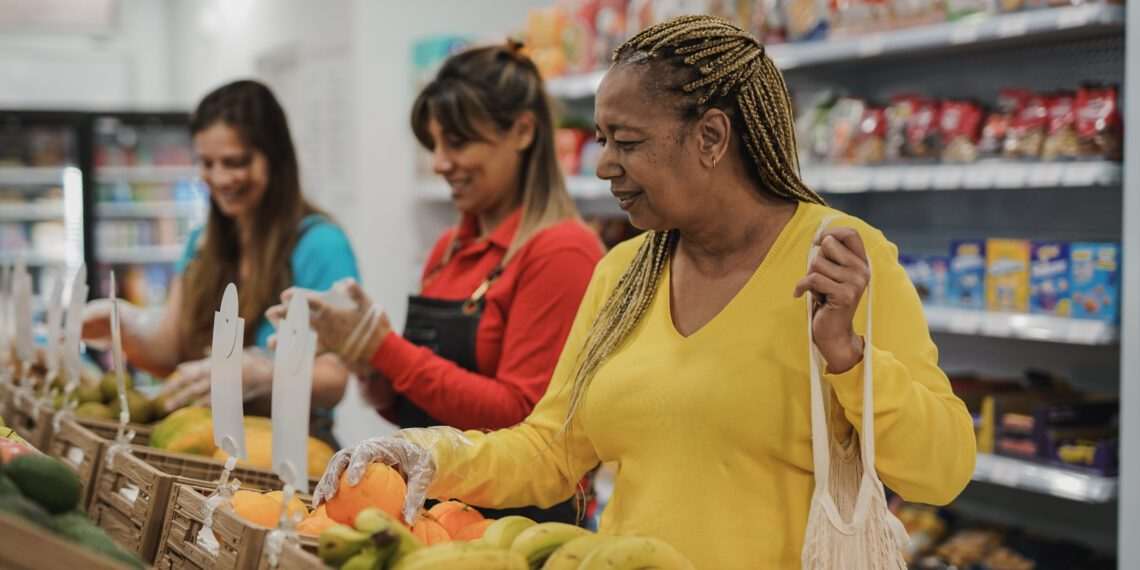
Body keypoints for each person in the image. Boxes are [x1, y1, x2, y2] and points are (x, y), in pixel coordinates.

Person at [295, 17, 976, 568]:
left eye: (626, 141)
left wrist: (849, 358)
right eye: (600, 139)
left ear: (711, 137)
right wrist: (431, 453)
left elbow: (941, 472)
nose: (604, 165)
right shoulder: (624, 273)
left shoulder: (840, 258)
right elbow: (551, 450)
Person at [270, 43, 604, 523]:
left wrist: (384, 347)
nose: (441, 162)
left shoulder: (562, 253)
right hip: (435, 513)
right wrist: (367, 366)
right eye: (435, 145)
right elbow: (428, 415)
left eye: (459, 142)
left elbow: (526, 423)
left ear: (523, 132)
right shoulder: (448, 250)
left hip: (517, 528)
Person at [82, 80, 359, 445]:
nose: (220, 178)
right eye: (207, 164)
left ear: (274, 158)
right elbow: (170, 350)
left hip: (292, 457)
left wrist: (263, 374)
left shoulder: (320, 245)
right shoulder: (202, 243)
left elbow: (334, 378)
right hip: (207, 450)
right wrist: (122, 326)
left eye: (236, 162)